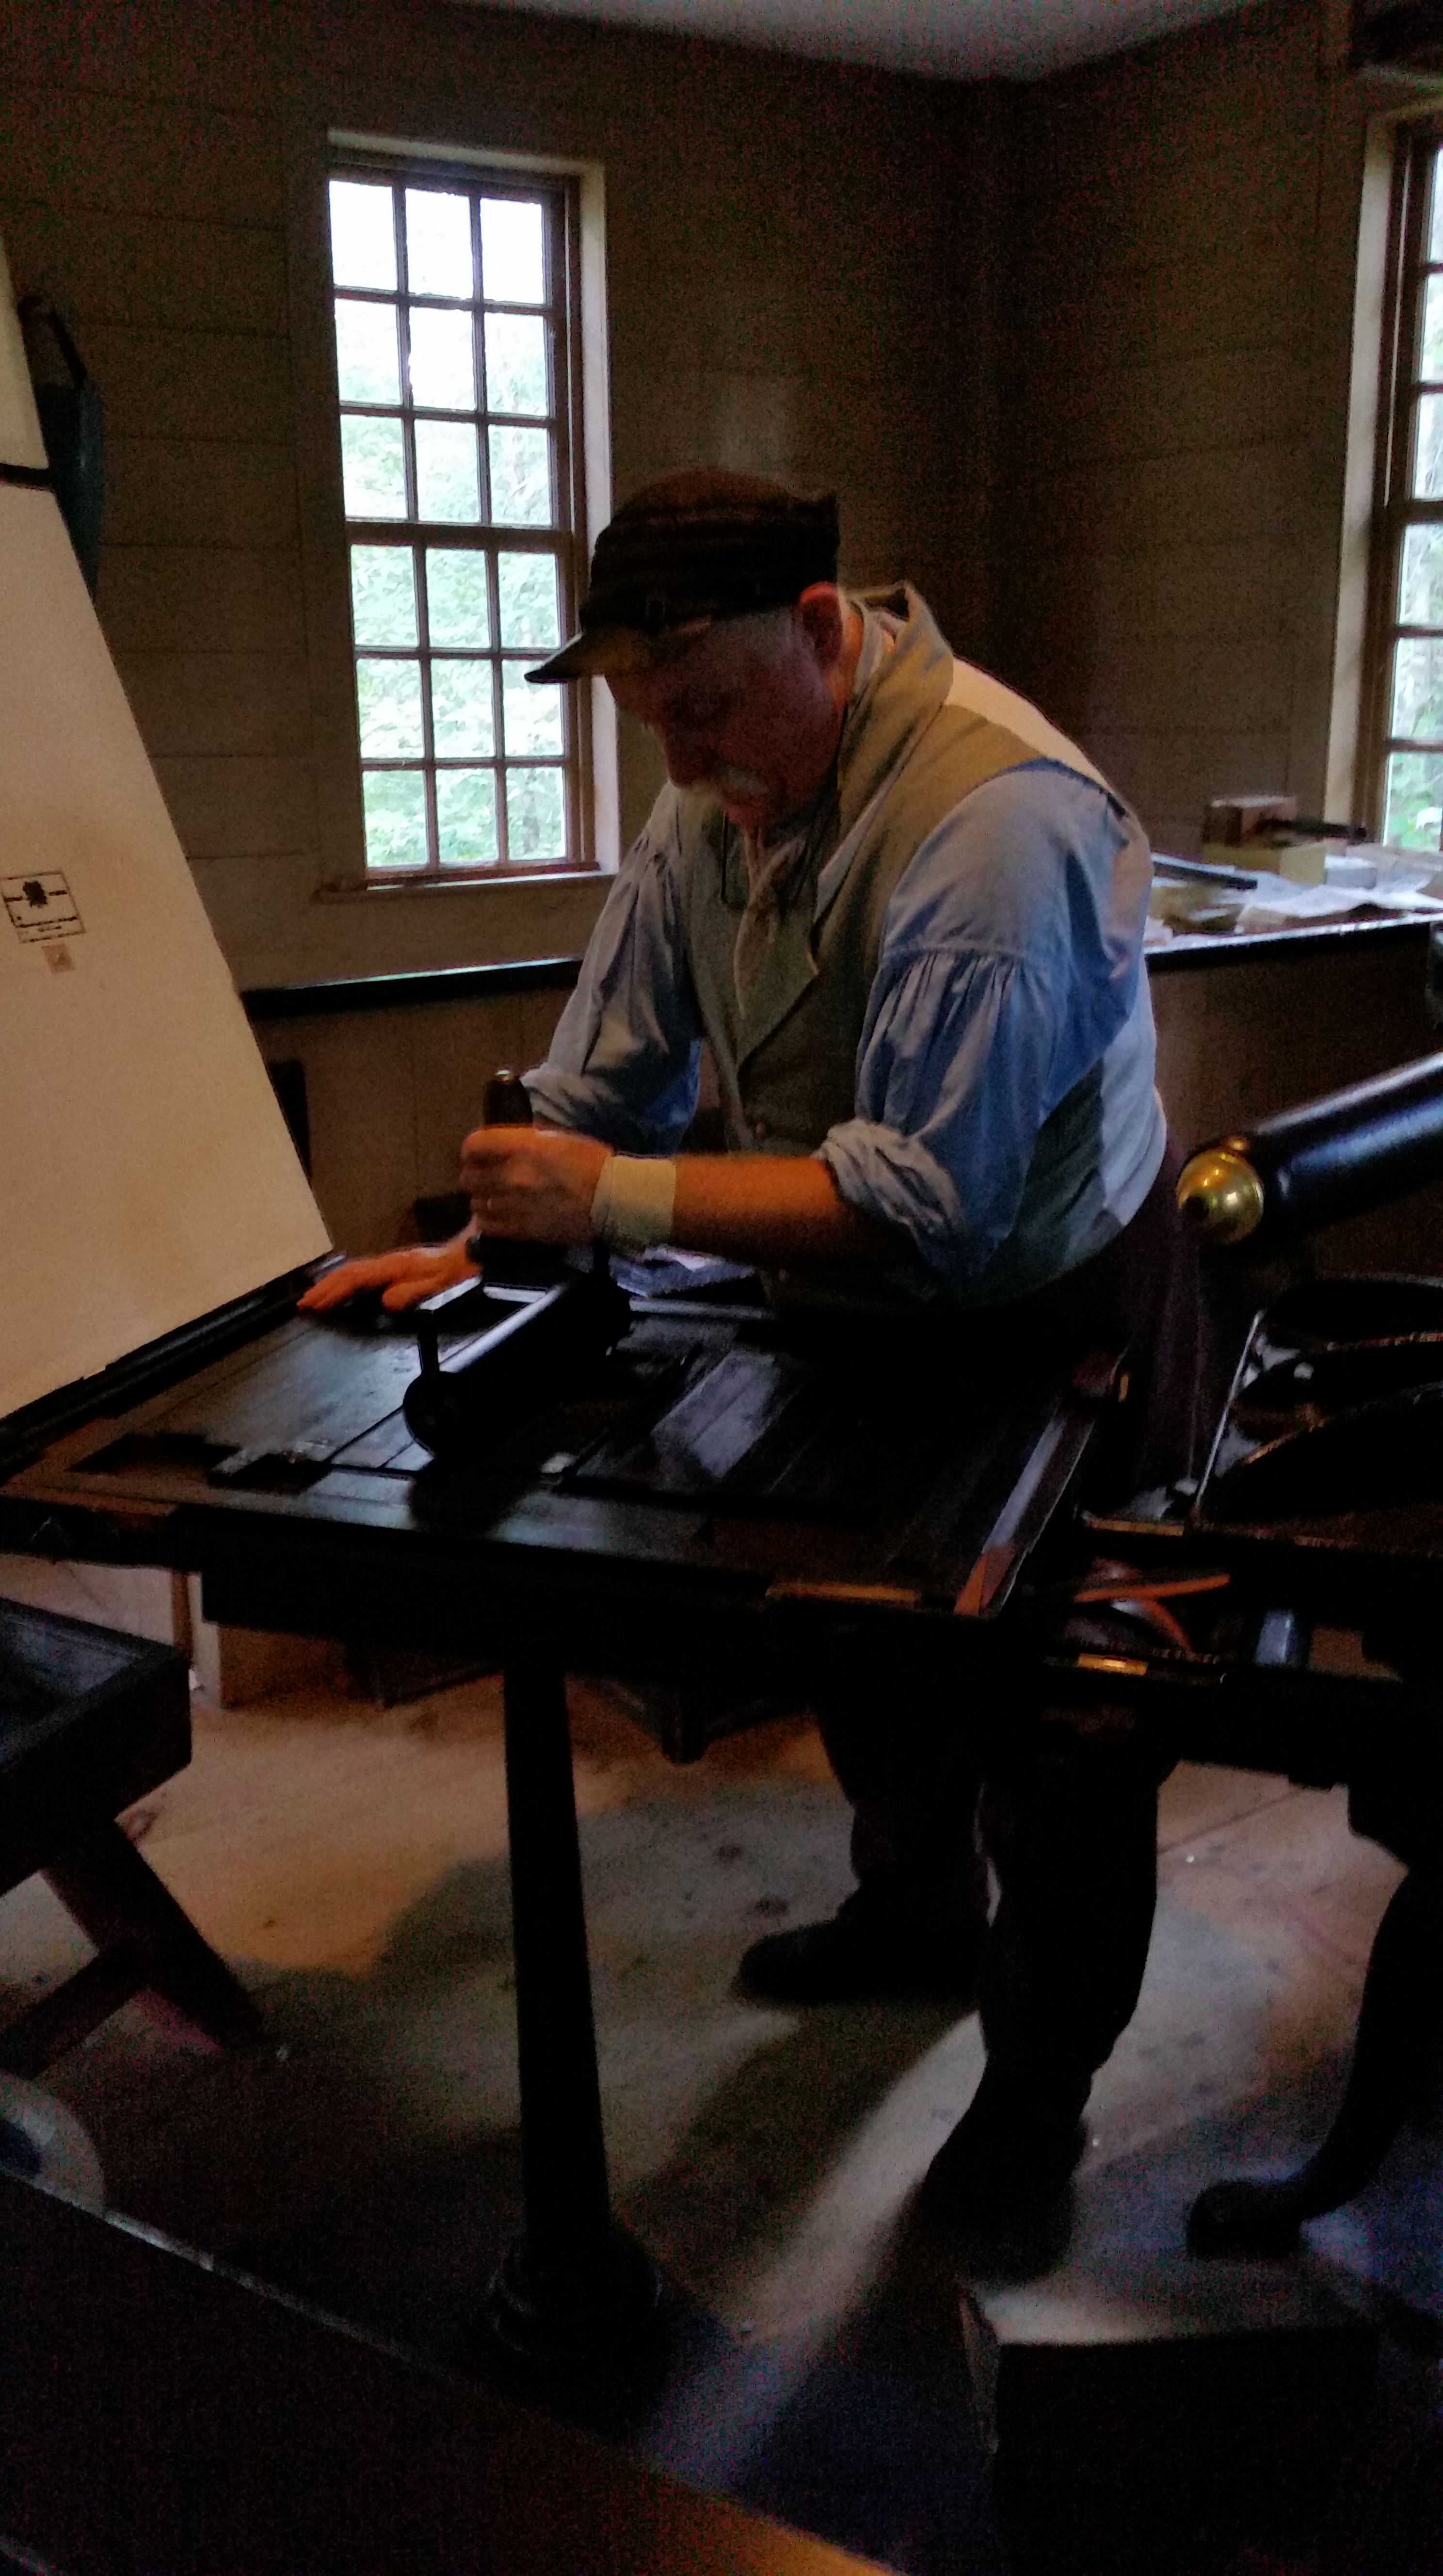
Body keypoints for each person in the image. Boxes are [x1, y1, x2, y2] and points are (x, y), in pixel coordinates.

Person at [304, 469, 1198, 2225]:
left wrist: (615, 1199)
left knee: (1068, 1736)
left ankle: (1039, 2097)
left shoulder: (995, 824)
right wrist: (486, 1236)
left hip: (1054, 1316)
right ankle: (919, 1916)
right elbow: (609, 1074)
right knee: (864, 1646)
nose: (683, 758)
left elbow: (933, 1202)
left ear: (819, 627)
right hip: (847, 1309)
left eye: (704, 707)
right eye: (653, 719)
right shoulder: (715, 794)